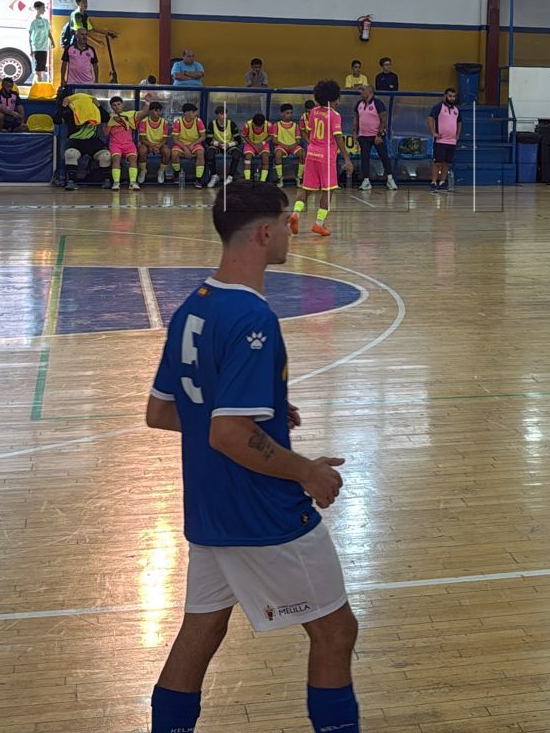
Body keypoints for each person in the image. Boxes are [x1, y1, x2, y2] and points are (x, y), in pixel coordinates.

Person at [144, 182, 359, 733]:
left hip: (210, 507)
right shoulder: (253, 318)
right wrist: (306, 471)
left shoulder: (193, 308)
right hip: (261, 511)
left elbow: (162, 412)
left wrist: (257, 406)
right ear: (265, 232)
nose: (291, 230)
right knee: (335, 632)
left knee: (201, 632)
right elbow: (229, 434)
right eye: (288, 221)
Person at [294, 81, 345, 237]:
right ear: (334, 98)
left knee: (306, 189)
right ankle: (319, 223)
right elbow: (338, 138)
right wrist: (347, 158)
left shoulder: (314, 112)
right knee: (328, 190)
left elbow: (310, 132)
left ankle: (295, 214)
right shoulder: (335, 115)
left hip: (311, 154)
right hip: (326, 156)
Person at [60, 87, 106, 190]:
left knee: (106, 156)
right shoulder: (70, 113)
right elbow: (56, 120)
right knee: (70, 154)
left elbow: (106, 117)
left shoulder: (95, 112)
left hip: (93, 141)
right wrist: (63, 106)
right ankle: (71, 181)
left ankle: (107, 180)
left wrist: (98, 105)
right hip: (76, 142)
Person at [354, 87, 395, 190]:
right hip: (363, 136)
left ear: (370, 92)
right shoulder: (359, 104)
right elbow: (356, 118)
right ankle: (366, 181)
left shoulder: (377, 103)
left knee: (384, 156)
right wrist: (354, 132)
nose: (361, 92)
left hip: (376, 135)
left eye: (363, 90)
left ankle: (390, 179)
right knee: (364, 158)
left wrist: (379, 134)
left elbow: (384, 119)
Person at [106, 96, 141, 191]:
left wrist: (147, 103)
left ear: (122, 105)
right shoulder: (109, 117)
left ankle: (132, 182)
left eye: (118, 104)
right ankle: (116, 182)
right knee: (116, 160)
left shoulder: (129, 116)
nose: (117, 106)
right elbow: (105, 133)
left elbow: (142, 114)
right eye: (114, 105)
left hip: (129, 144)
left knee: (133, 160)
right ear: (111, 107)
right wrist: (109, 123)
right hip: (115, 144)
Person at [428, 88, 460, 192]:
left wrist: (457, 135)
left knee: (447, 163)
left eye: (454, 96)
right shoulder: (438, 107)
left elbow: (459, 122)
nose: (452, 98)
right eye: (450, 96)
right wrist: (433, 132)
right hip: (440, 140)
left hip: (452, 141)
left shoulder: (456, 110)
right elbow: (430, 118)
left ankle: (442, 182)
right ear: (445, 96)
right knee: (438, 162)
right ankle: (433, 182)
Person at [171, 102, 207, 186]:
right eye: (193, 112)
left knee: (200, 153)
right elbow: (175, 139)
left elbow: (203, 137)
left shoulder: (198, 121)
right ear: (187, 113)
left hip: (195, 143)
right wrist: (185, 148)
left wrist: (192, 144)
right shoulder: (178, 122)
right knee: (174, 154)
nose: (195, 114)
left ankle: (198, 179)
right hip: (181, 144)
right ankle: (176, 174)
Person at [139, 101, 174, 185]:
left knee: (167, 151)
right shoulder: (144, 122)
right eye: (156, 110)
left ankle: (161, 171)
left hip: (160, 144)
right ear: (150, 111)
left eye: (159, 110)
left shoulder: (164, 122)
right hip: (147, 143)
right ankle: (143, 171)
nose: (158, 112)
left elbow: (165, 139)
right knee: (142, 150)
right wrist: (151, 146)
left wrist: (157, 146)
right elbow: (142, 139)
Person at [271, 104, 303, 187]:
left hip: (293, 146)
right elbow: (274, 140)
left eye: (291, 113)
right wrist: (284, 145)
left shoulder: (295, 125)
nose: (290, 115)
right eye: (287, 113)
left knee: (302, 154)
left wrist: (292, 145)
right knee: (278, 154)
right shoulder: (276, 125)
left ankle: (299, 177)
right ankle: (280, 177)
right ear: (282, 113)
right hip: (281, 146)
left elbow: (298, 140)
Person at [205, 106, 235, 189]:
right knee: (209, 152)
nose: (224, 116)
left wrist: (229, 144)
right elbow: (208, 140)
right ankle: (214, 176)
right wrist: (218, 144)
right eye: (221, 114)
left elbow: (238, 140)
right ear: (217, 115)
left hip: (228, 145)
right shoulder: (212, 124)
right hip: (217, 145)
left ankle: (230, 177)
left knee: (237, 153)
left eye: (225, 114)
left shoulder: (231, 124)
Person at [241, 114, 272, 184]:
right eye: (256, 126)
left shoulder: (269, 125)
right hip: (250, 143)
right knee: (247, 157)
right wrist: (254, 145)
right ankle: (247, 181)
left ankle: (262, 181)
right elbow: (244, 136)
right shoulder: (247, 125)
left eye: (260, 127)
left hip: (263, 143)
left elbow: (271, 136)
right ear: (253, 123)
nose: (257, 128)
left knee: (266, 158)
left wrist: (262, 143)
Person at [29, 1, 52, 82]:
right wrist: (31, 49)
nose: (44, 10)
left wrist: (52, 41)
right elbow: (29, 36)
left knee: (41, 69)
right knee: (38, 70)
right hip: (36, 48)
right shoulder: (33, 21)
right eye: (43, 8)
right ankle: (39, 85)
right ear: (37, 8)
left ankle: (35, 85)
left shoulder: (45, 21)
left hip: (44, 48)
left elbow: (48, 32)